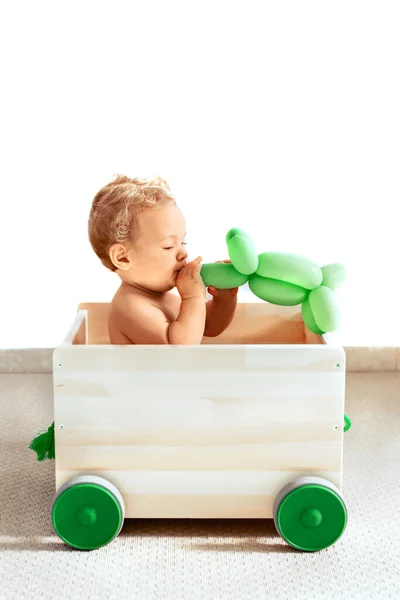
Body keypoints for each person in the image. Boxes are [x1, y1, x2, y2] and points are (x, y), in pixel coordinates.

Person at [88, 174, 238, 344]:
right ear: (123, 258)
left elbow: (208, 326)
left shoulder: (168, 292)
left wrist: (224, 299)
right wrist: (193, 298)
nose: (184, 253)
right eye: (168, 246)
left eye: (182, 242)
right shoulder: (130, 307)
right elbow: (179, 349)